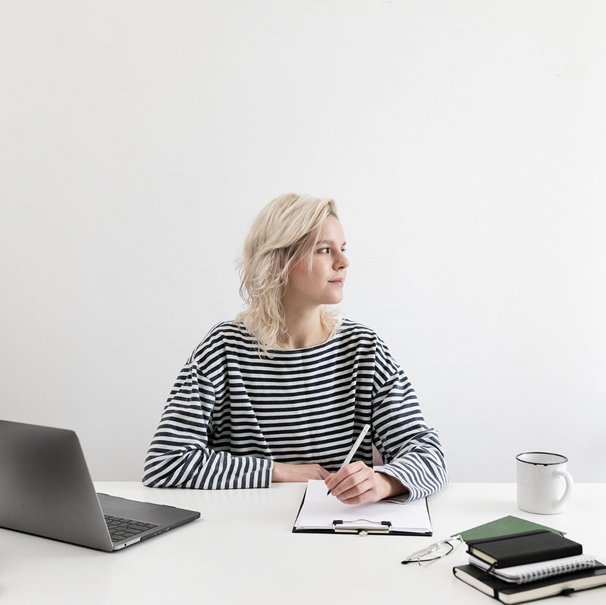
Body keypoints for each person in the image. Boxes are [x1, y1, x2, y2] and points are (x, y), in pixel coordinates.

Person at [143, 194, 447, 504]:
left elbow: (429, 455)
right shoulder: (222, 349)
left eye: (342, 249)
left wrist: (384, 482)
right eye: (324, 249)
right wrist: (279, 471)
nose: (343, 262)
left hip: (338, 525)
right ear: (279, 261)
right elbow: (165, 462)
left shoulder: (364, 350)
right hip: (244, 527)